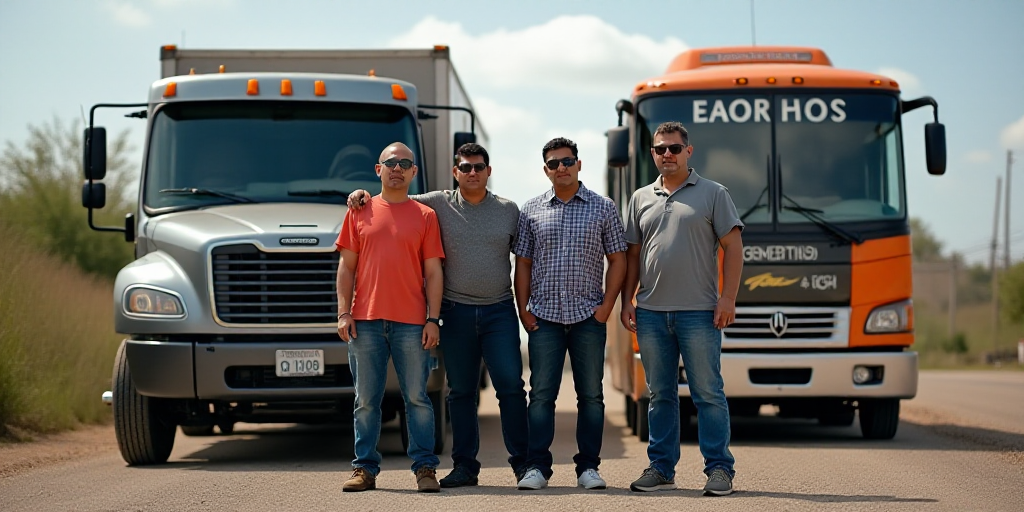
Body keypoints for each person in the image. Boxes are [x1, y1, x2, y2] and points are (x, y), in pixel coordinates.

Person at [346, 143, 529, 488]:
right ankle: (464, 468)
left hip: (499, 310)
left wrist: (525, 308)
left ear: (489, 172)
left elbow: (524, 262)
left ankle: (524, 466)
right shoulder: (434, 204)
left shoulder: (509, 211)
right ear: (455, 173)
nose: (471, 173)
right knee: (460, 392)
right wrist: (360, 196)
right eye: (465, 168)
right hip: (455, 311)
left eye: (478, 167)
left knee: (510, 387)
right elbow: (392, 198)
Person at [619, 121, 743, 496]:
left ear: (689, 151)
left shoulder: (713, 193)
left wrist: (728, 298)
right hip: (652, 313)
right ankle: (660, 468)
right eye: (660, 149)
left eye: (674, 148)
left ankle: (719, 470)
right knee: (660, 395)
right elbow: (633, 255)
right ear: (653, 154)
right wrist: (628, 299)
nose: (667, 154)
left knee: (708, 392)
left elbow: (734, 249)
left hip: (700, 313)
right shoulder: (641, 197)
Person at [513, 137, 627, 491]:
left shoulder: (603, 207)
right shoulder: (530, 210)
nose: (560, 167)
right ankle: (537, 468)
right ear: (545, 170)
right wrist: (523, 310)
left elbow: (619, 260)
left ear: (579, 164)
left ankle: (588, 468)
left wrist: (607, 306)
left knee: (591, 395)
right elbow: (523, 265)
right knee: (542, 394)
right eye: (553, 163)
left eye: (567, 161)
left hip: (588, 318)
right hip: (543, 317)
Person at [335, 142, 444, 493]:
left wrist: (433, 319)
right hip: (365, 322)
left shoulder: (425, 216)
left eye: (404, 163)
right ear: (378, 170)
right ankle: (364, 469)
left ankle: (425, 469)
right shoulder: (358, 212)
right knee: (366, 400)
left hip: (412, 323)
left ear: (414, 172)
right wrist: (343, 313)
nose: (397, 168)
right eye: (390, 162)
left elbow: (433, 273)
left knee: (417, 399)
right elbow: (346, 268)